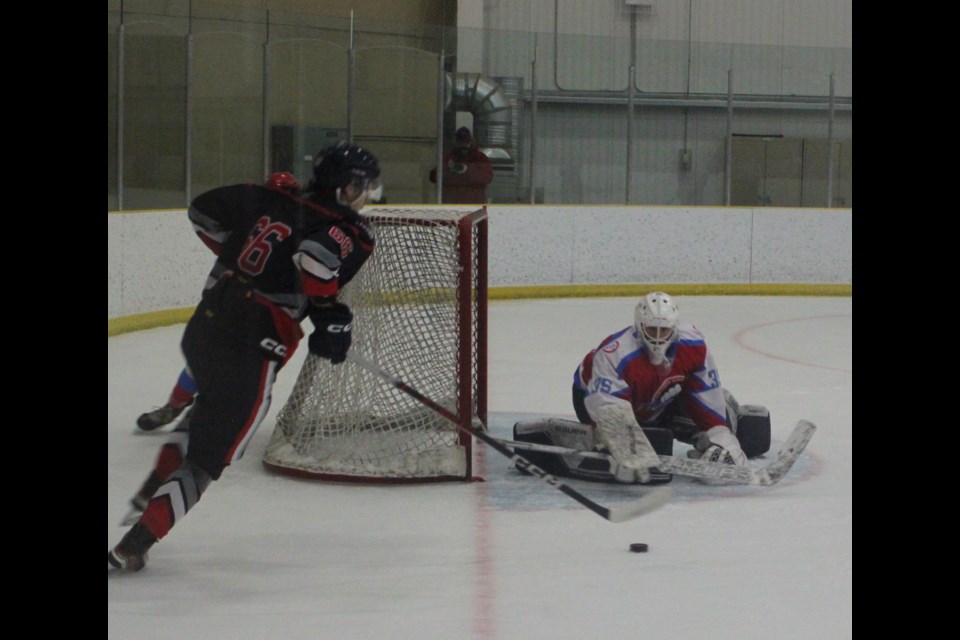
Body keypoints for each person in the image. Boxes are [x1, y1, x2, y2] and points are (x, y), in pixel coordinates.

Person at [108, 143, 382, 572]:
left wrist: (243, 254)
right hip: (253, 345)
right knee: (207, 461)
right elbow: (315, 260)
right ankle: (134, 543)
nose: (368, 195)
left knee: (207, 410)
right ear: (347, 187)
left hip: (207, 325)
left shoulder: (271, 199)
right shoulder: (347, 229)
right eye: (364, 187)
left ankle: (155, 484)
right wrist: (328, 314)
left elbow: (202, 212)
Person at [513, 291, 770, 484]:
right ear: (639, 325)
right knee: (626, 451)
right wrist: (624, 444)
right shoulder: (614, 354)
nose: (658, 337)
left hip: (658, 400)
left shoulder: (694, 344)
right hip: (593, 399)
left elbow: (705, 392)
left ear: (675, 327)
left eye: (664, 330)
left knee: (724, 416)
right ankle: (591, 438)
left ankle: (726, 427)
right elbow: (605, 404)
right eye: (652, 330)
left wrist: (720, 436)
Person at [134, 171, 303, 432]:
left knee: (209, 355)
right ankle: (199, 408)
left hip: (226, 291)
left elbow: (202, 216)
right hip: (254, 303)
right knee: (239, 363)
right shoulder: (298, 223)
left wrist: (223, 247)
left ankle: (181, 406)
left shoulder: (248, 214)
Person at [429, 126, 493, 204]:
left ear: (471, 141)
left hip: (473, 204)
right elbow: (433, 177)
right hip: (451, 204)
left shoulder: (480, 158)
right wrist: (447, 168)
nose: (463, 145)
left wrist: (467, 169)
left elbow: (487, 178)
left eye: (466, 142)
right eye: (460, 142)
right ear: (455, 142)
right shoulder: (448, 158)